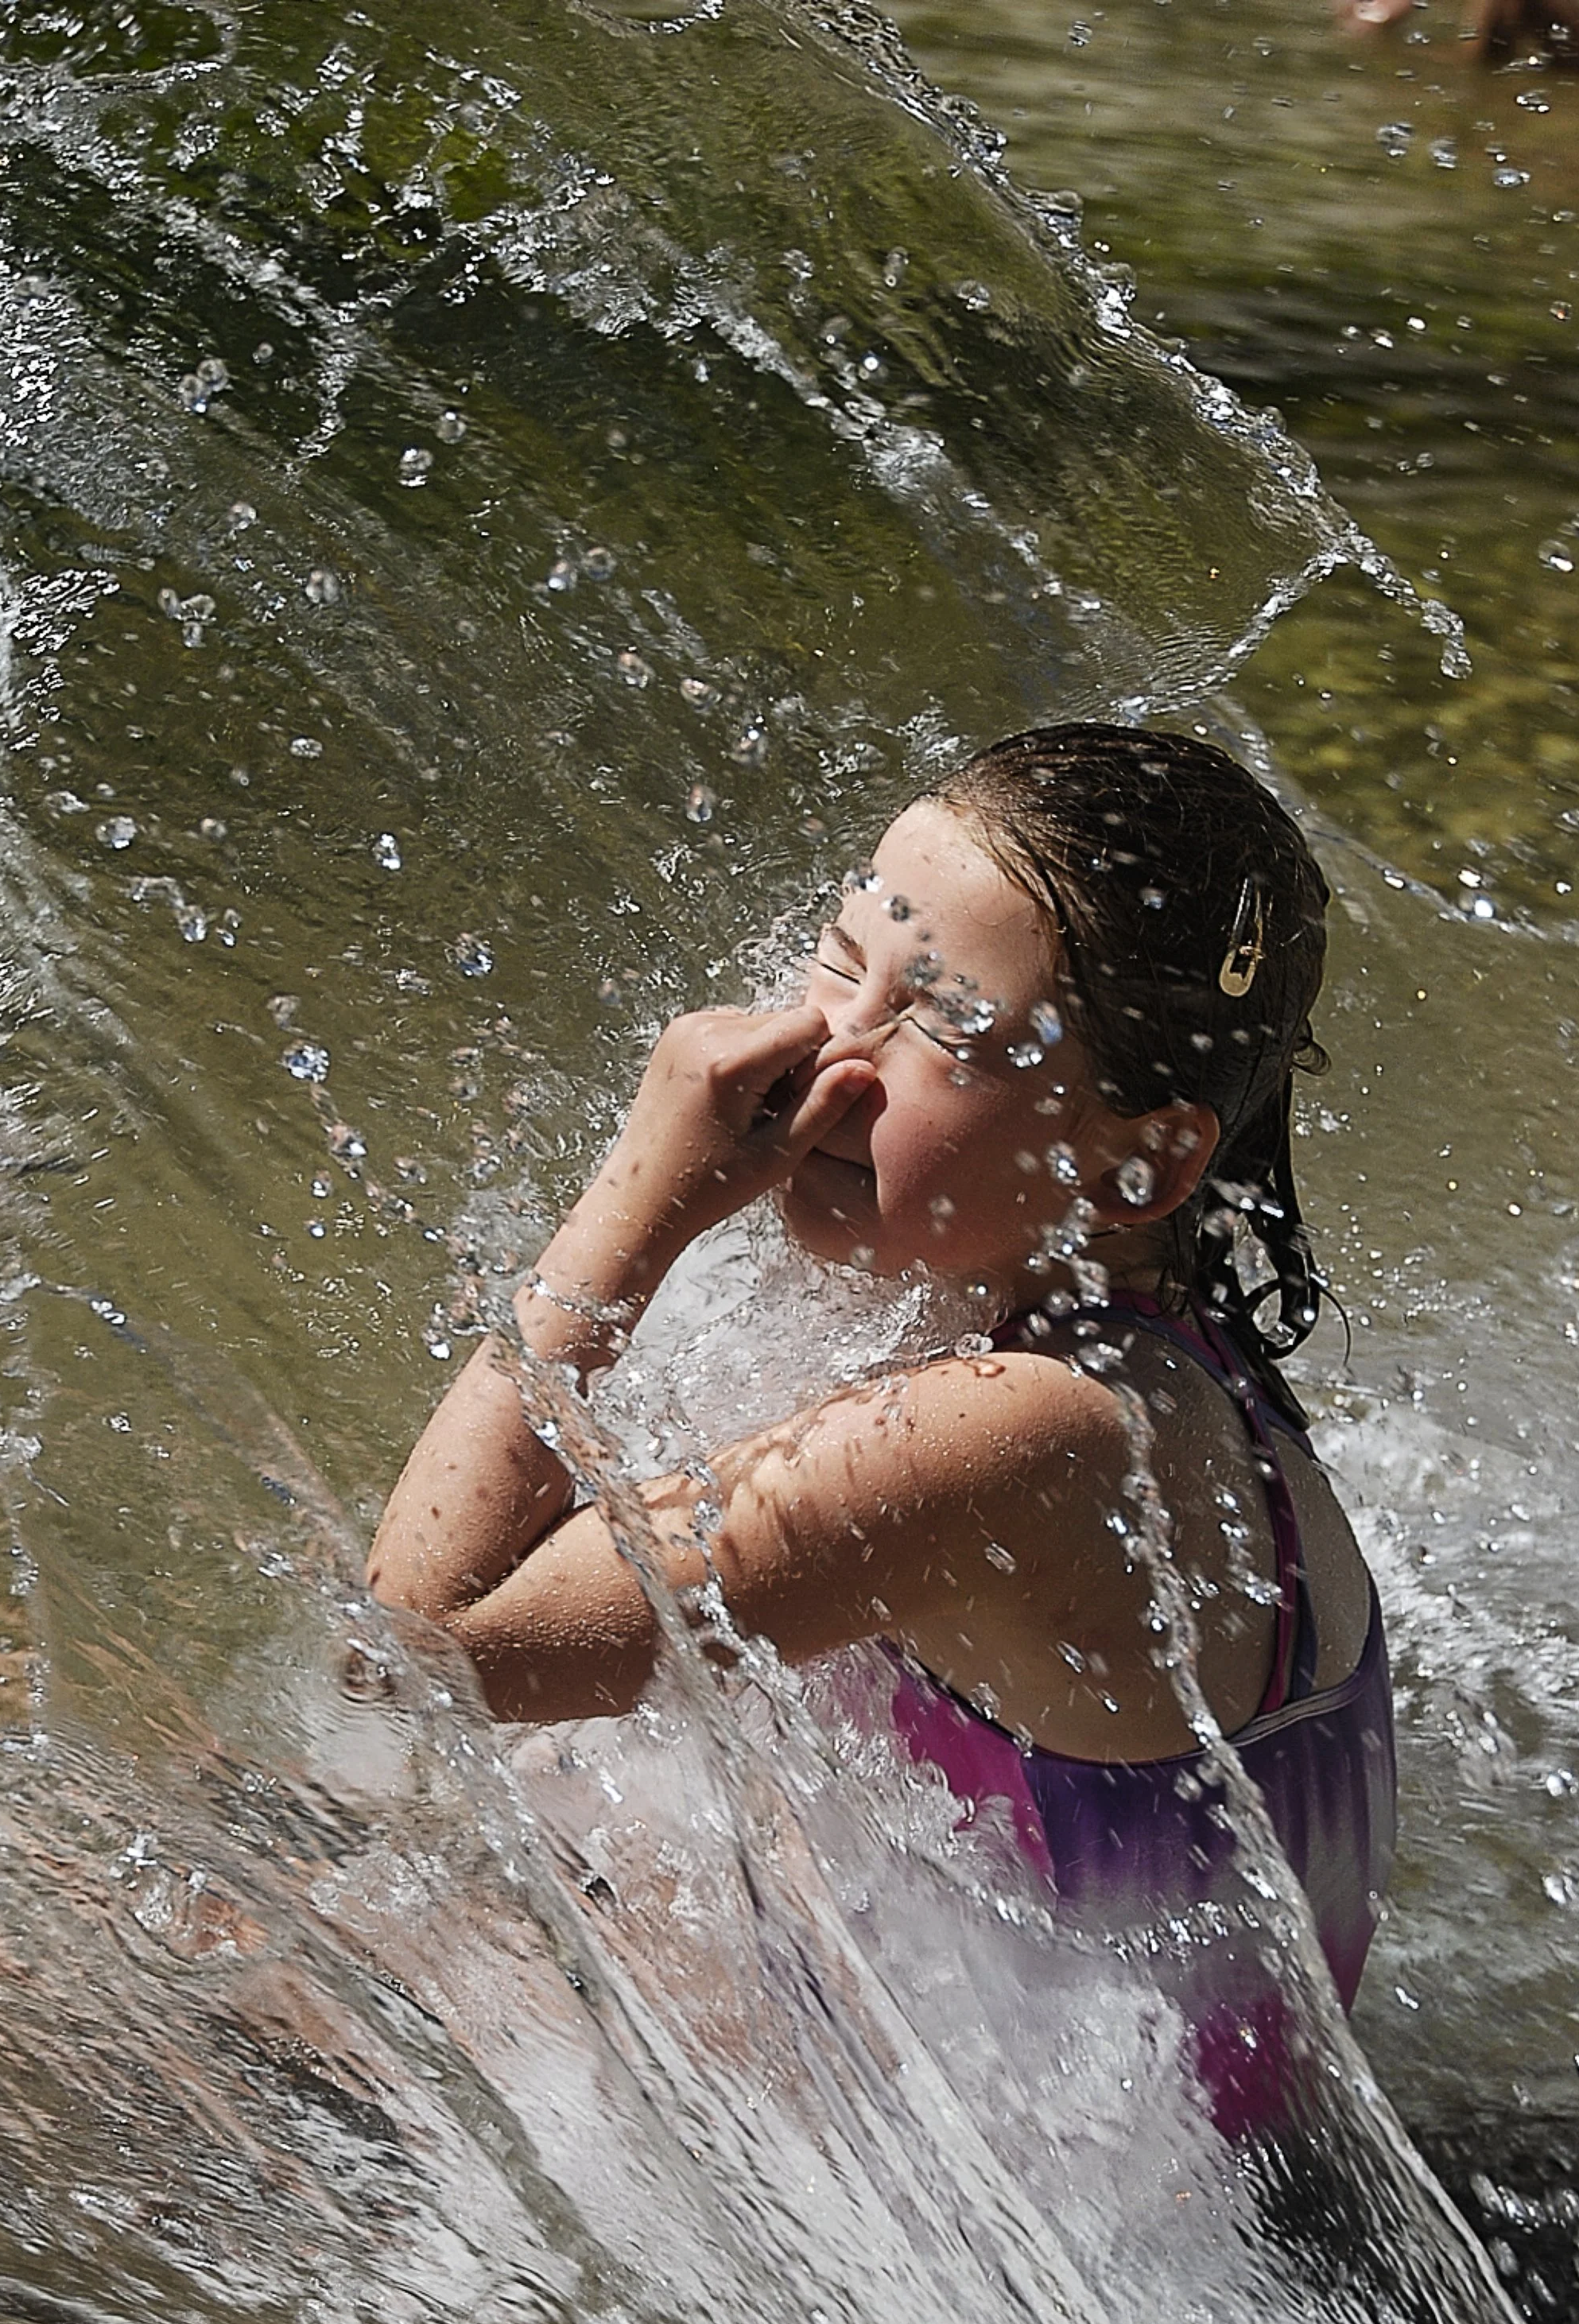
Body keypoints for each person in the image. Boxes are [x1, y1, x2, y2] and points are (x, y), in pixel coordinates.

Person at [367, 724, 1396, 2135]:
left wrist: (641, 1195)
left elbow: (423, 1646)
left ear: (1144, 1157)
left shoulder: (1028, 1434)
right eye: (844, 965)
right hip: (1155, 2132)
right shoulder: (1166, 1366)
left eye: (943, 1026)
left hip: (1076, 2224)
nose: (828, 1060)